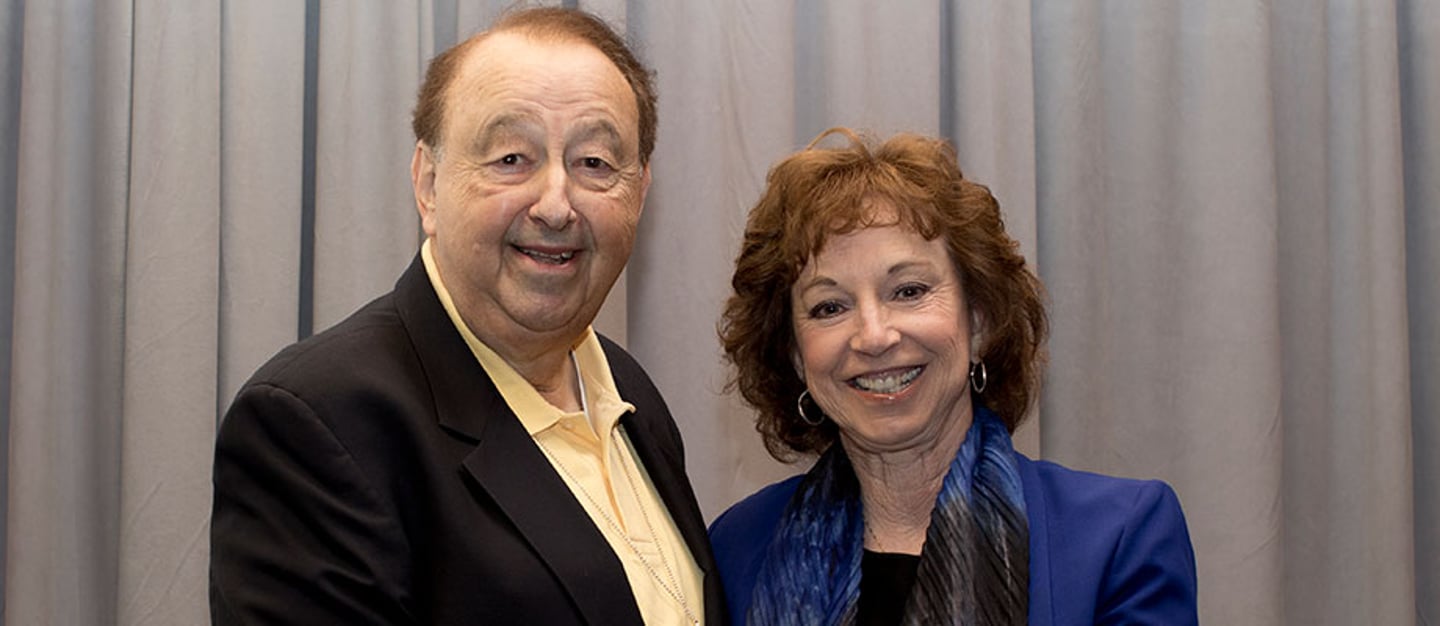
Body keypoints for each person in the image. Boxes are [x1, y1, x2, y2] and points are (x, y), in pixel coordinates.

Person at [210, 8, 722, 625]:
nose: (556, 205)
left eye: (594, 163)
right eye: (511, 158)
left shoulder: (628, 394)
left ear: (638, 193)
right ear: (428, 184)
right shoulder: (320, 424)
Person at [708, 128, 1198, 625]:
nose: (874, 336)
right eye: (829, 306)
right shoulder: (737, 548)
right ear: (794, 354)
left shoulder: (1119, 537)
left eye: (909, 291)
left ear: (979, 320)